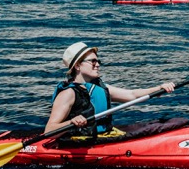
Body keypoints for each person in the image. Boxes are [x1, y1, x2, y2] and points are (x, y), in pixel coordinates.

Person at [45, 42, 176, 138]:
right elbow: (49, 131)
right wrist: (71, 122)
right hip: (81, 141)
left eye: (98, 61)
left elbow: (132, 94)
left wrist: (159, 88)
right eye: (93, 61)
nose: (98, 64)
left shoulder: (100, 87)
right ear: (78, 65)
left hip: (103, 136)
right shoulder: (68, 93)